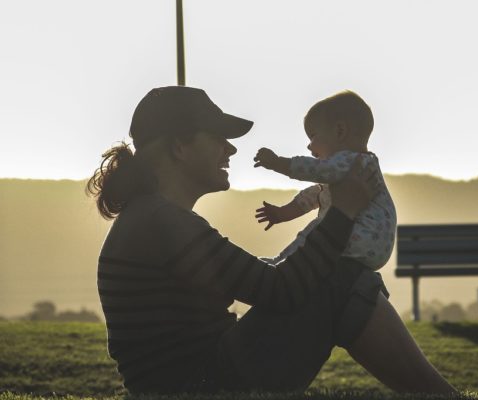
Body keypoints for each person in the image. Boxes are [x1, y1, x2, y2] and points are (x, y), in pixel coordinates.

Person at [87, 86, 455, 394]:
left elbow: (257, 279)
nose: (230, 150)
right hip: (205, 386)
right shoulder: (160, 222)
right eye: (218, 138)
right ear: (179, 147)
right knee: (342, 277)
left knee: (341, 275)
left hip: (196, 381)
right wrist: (343, 212)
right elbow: (279, 290)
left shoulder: (151, 219)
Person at [253, 90, 396, 272]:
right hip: (372, 247)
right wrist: (282, 214)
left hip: (360, 238)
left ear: (339, 131)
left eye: (312, 136)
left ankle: (281, 265)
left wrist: (277, 162)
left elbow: (315, 170)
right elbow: (315, 196)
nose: (309, 145)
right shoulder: (355, 168)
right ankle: (281, 263)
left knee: (315, 234)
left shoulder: (353, 161)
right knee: (318, 232)